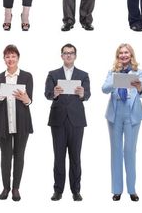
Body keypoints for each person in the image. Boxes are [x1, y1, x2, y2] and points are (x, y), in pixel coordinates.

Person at [44, 43, 90, 201]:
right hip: (58, 120)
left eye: (71, 53)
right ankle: (58, 190)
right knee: (58, 156)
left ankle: (76, 191)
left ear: (75, 56)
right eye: (65, 53)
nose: (68, 55)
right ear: (61, 56)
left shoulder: (83, 75)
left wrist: (83, 94)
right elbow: (47, 93)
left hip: (76, 120)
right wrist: (54, 93)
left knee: (75, 157)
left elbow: (88, 94)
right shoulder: (53, 74)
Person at [102, 43, 142, 201]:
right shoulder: (112, 71)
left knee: (129, 151)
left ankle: (132, 189)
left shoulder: (138, 72)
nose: (123, 55)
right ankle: (117, 189)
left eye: (126, 52)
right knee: (116, 151)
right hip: (115, 113)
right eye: (121, 53)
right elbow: (104, 89)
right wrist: (116, 80)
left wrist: (140, 87)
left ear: (131, 55)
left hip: (132, 113)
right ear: (117, 55)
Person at [0, 44, 33, 201]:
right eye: (7, 56)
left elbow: (30, 100)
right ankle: (5, 187)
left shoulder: (27, 76)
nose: (10, 59)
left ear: (18, 58)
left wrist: (26, 99)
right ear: (4, 59)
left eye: (13, 56)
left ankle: (16, 188)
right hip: (3, 122)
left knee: (19, 155)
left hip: (22, 122)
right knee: (5, 156)